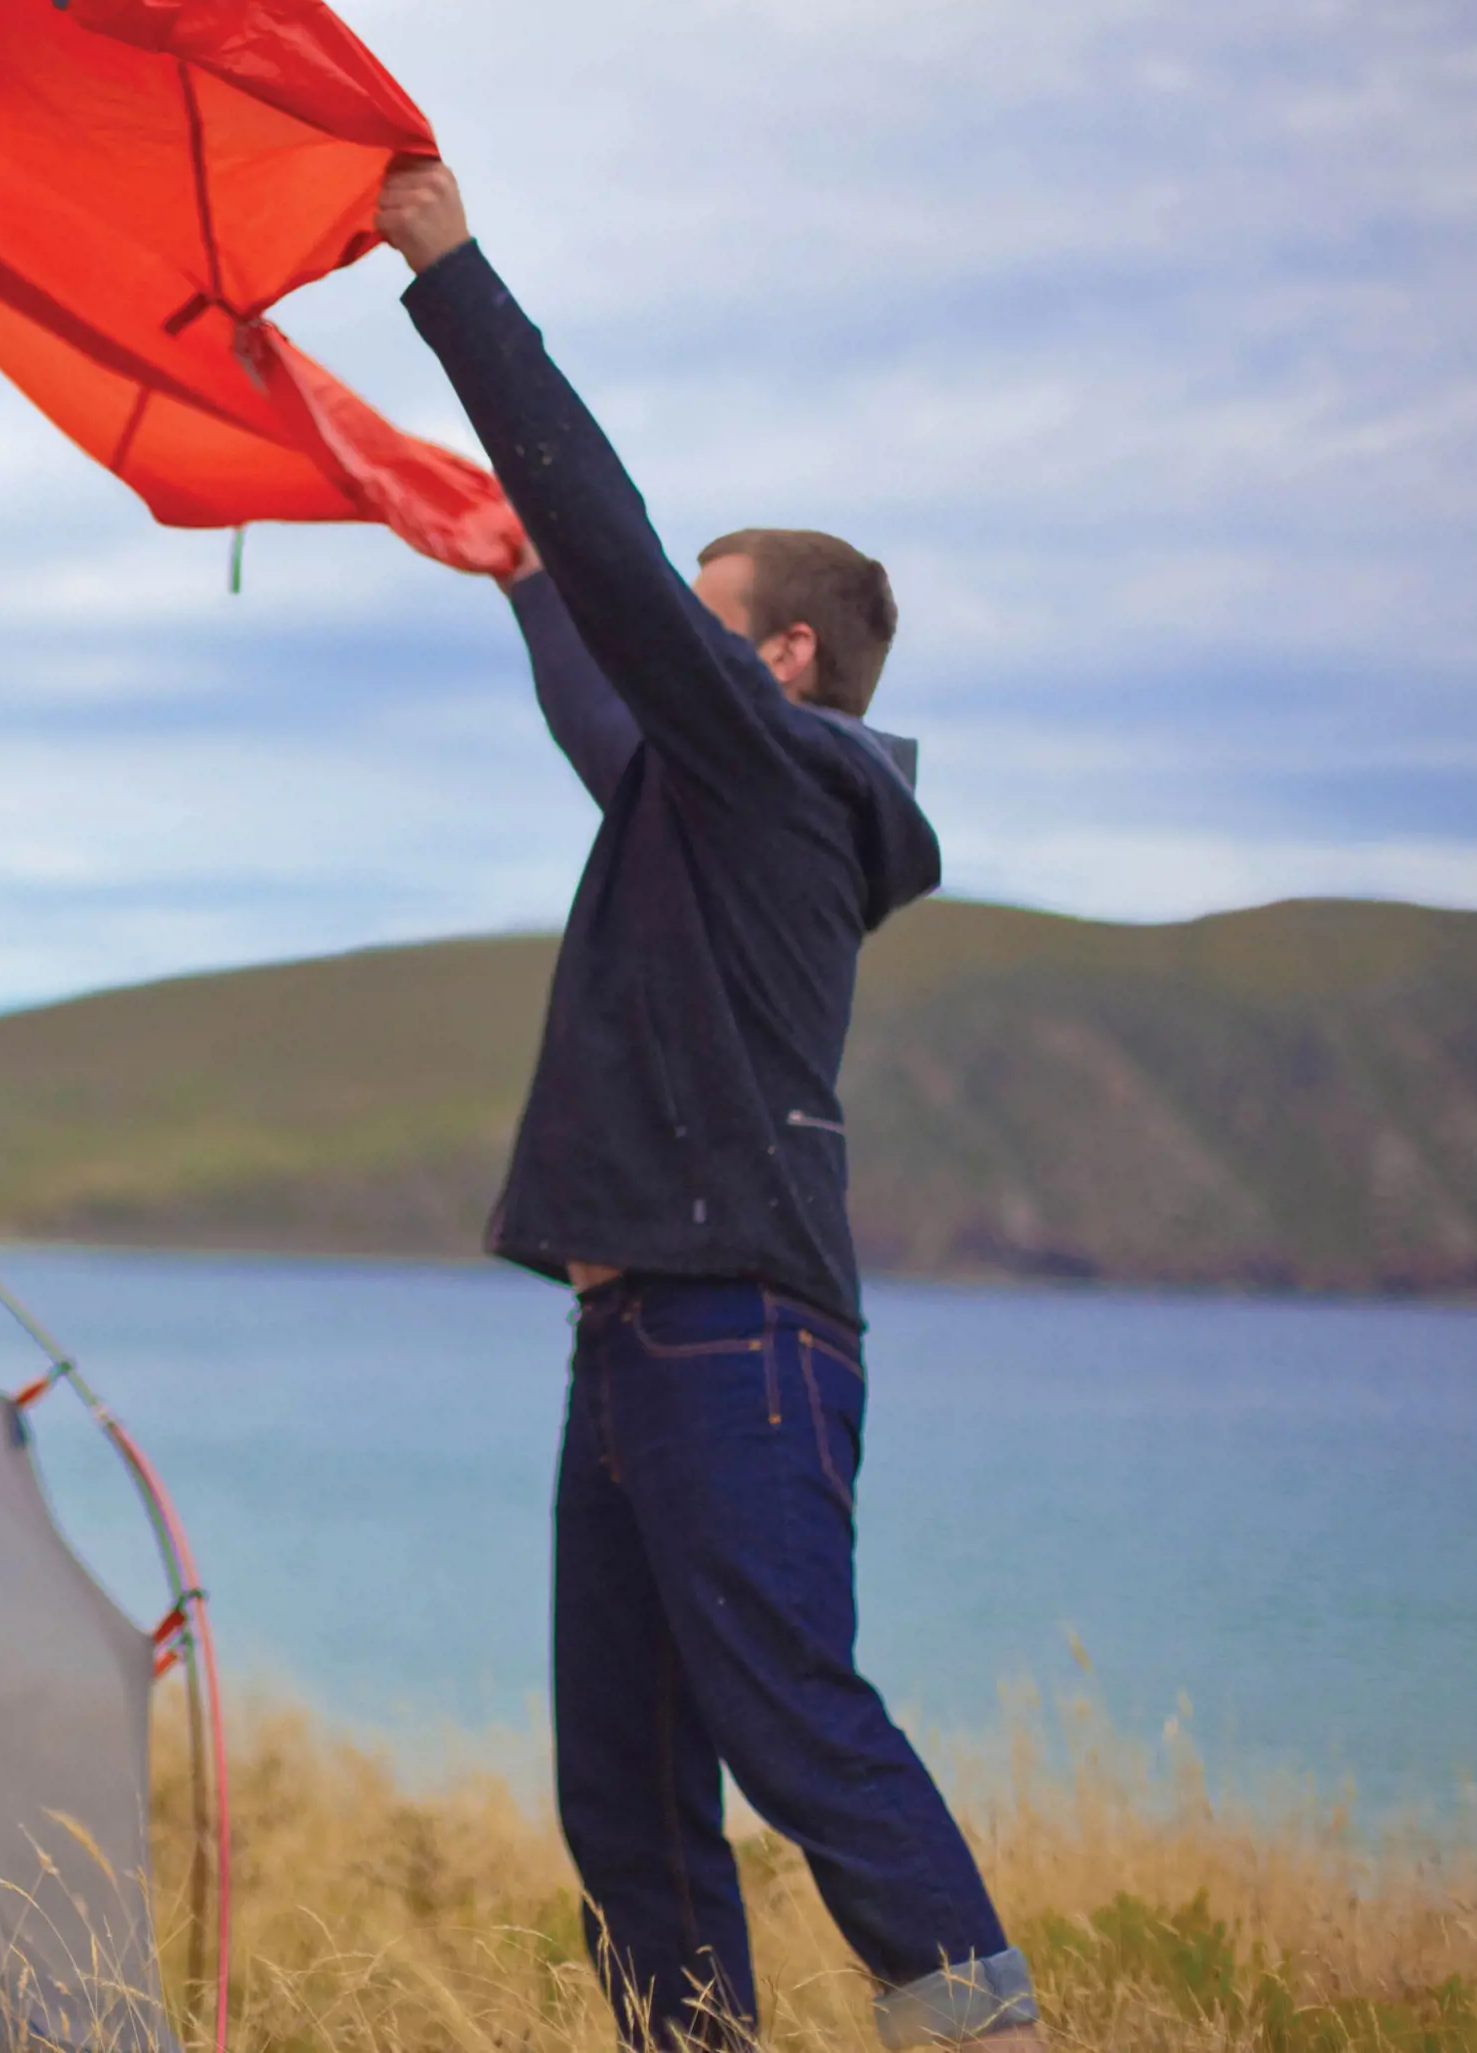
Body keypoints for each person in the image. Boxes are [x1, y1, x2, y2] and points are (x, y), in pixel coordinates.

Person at [372, 164, 1043, 2051]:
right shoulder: (700, 792)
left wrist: (447, 270)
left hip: (733, 1329)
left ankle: (985, 2029)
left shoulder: (769, 778)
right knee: (629, 1786)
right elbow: (597, 688)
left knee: (792, 1720)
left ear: (780, 661)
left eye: (700, 618)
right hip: (639, 1332)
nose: (666, 633)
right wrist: (511, 575)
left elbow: (607, 539)